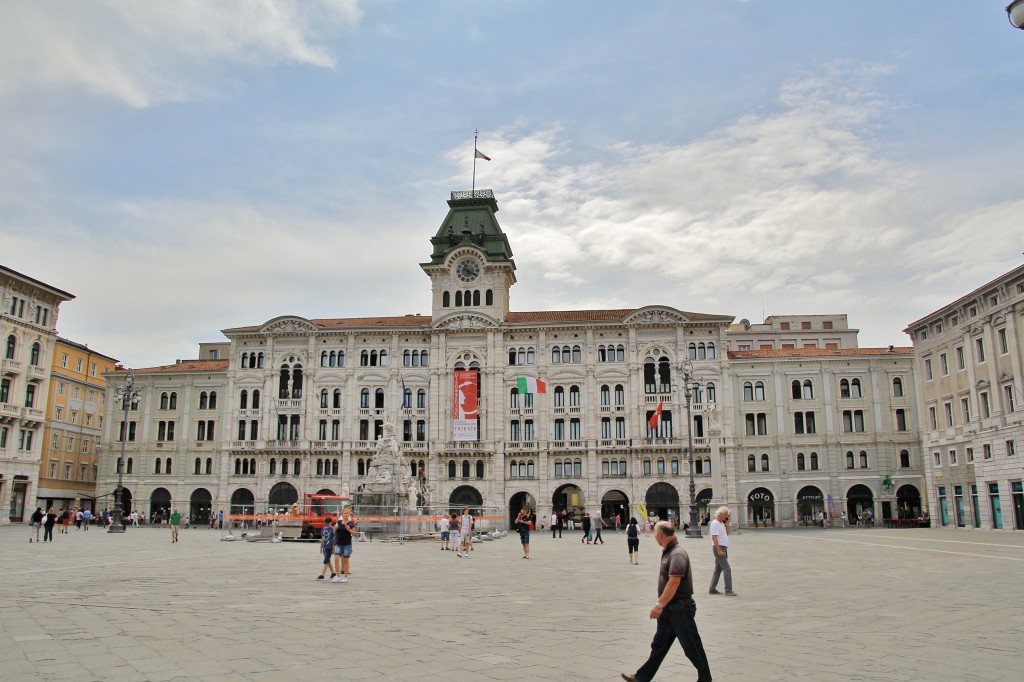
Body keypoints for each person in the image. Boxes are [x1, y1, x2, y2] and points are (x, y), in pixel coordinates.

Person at [620, 521, 712, 682]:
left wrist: (659, 605)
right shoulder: (669, 552)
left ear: (661, 535)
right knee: (659, 645)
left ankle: (705, 679)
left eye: (655, 533)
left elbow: (674, 582)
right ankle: (641, 677)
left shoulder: (677, 554)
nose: (655, 536)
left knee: (692, 647)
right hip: (669, 610)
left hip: (679, 609)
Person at [708, 505, 736, 596]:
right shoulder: (715, 523)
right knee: (727, 569)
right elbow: (714, 538)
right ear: (720, 514)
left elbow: (727, 533)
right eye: (725, 515)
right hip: (719, 547)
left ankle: (712, 588)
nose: (726, 517)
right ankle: (728, 590)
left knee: (718, 569)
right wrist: (719, 550)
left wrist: (727, 523)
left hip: (723, 547)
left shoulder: (721, 523)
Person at [332, 509, 358, 582]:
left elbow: (354, 533)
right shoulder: (339, 522)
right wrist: (335, 529)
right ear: (342, 514)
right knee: (336, 559)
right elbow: (334, 533)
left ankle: (345, 576)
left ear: (349, 514)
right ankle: (337, 576)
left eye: (347, 513)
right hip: (339, 543)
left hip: (347, 544)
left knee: (346, 560)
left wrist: (348, 529)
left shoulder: (351, 523)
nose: (346, 515)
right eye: (345, 513)